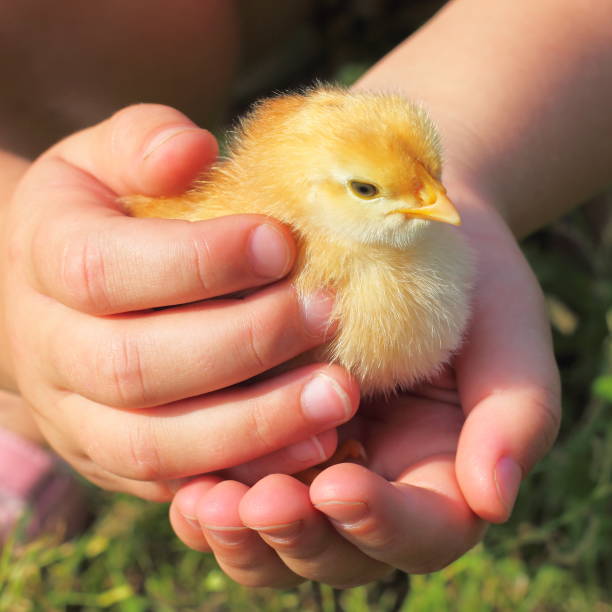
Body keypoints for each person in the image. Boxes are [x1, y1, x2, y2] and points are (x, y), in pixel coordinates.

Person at [1, 0, 610, 588]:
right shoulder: (250, 244)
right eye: (371, 190)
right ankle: (22, 407)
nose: (439, 202)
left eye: (434, 178)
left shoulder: (399, 248)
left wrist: (476, 172)